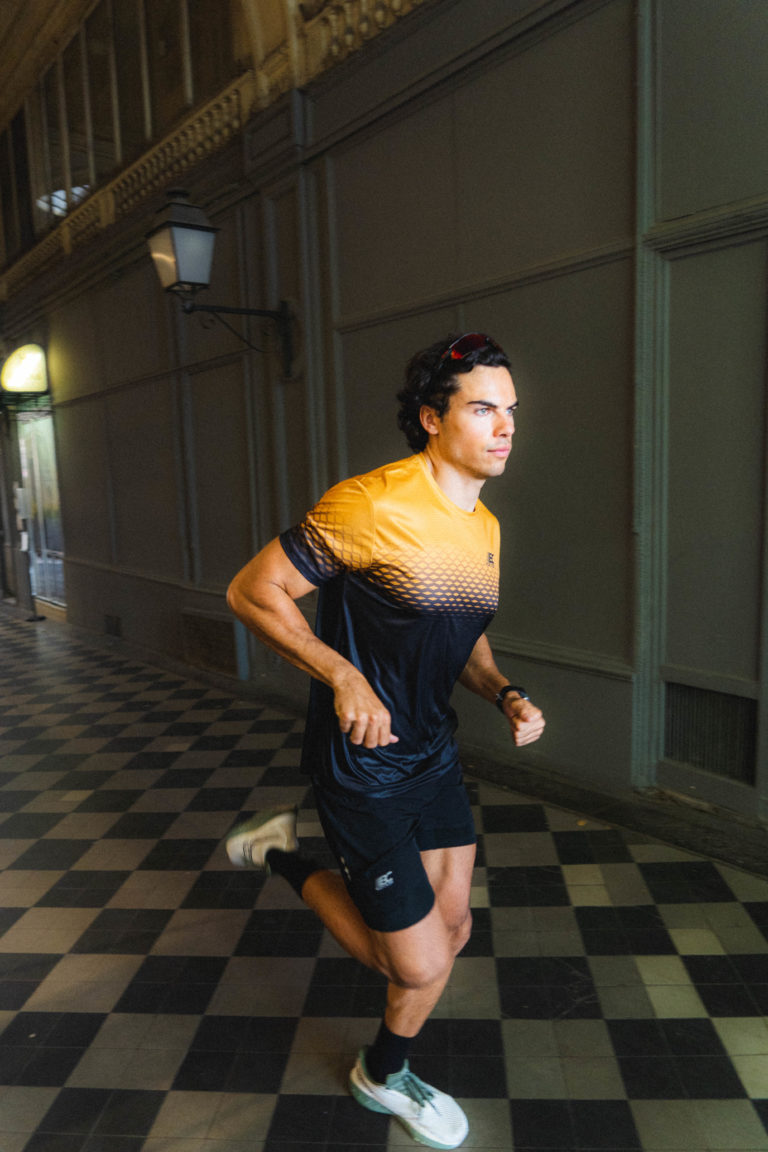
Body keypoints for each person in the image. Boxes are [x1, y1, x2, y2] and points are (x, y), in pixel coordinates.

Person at [225, 332, 545, 1149]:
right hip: (361, 768)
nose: (506, 426)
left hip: (432, 753)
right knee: (418, 963)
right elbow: (253, 590)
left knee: (453, 932)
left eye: (511, 410)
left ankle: (382, 1064)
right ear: (432, 419)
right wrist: (344, 677)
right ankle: (283, 861)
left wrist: (504, 691)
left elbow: (460, 636)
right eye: (484, 409)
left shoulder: (486, 527)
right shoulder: (371, 504)